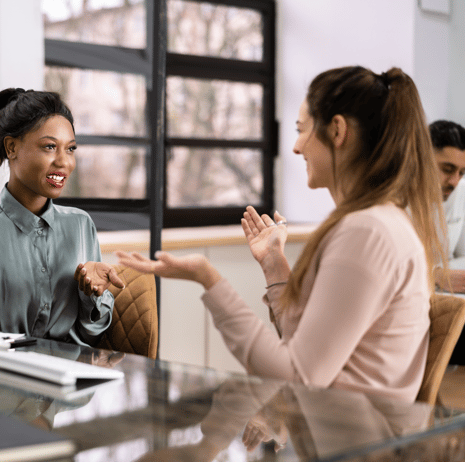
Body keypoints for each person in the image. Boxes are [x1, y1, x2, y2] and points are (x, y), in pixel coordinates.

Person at [117, 66, 446, 403]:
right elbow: (306, 348)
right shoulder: (379, 223)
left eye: (302, 130)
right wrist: (274, 262)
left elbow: (296, 375)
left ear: (337, 130)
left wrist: (208, 279)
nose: (296, 147)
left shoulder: (367, 232)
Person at [0, 88, 124, 346]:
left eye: (70, 149)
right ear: (12, 147)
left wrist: (91, 294)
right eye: (50, 146)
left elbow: (91, 332)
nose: (64, 162)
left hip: (66, 377)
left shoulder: (80, 225)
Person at [429, 120, 465, 292]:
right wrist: (435, 275)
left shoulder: (461, 190)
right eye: (448, 169)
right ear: (421, 158)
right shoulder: (392, 199)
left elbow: (462, 253)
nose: (455, 181)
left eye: (462, 172)